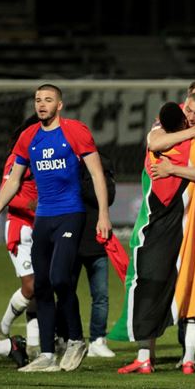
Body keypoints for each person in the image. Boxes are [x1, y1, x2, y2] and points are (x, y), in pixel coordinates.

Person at [0, 84, 112, 372]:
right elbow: (13, 181)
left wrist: (103, 215)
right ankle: (47, 355)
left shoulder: (76, 132)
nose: (42, 104)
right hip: (43, 218)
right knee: (41, 286)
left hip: (70, 215)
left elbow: (96, 173)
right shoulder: (28, 137)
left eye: (48, 100)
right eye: (38, 100)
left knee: (61, 278)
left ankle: (76, 339)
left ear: (60, 105)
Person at [110, 94, 195, 375]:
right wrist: (191, 131)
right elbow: (153, 141)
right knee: (149, 283)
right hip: (158, 222)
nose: (191, 116)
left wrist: (173, 168)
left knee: (193, 287)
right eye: (188, 111)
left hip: (194, 223)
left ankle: (193, 358)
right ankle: (145, 357)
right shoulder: (177, 129)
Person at [0, 115, 39, 358]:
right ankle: (3, 325)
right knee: (31, 285)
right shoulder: (16, 159)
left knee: (41, 287)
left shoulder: (46, 157)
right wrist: (32, 204)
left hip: (42, 227)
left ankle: (33, 345)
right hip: (20, 228)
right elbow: (7, 193)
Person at [76, 153, 117, 358]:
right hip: (72, 239)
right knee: (66, 293)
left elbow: (108, 195)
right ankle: (67, 338)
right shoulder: (71, 164)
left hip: (98, 240)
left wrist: (89, 183)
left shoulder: (104, 164)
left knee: (101, 296)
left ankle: (97, 340)